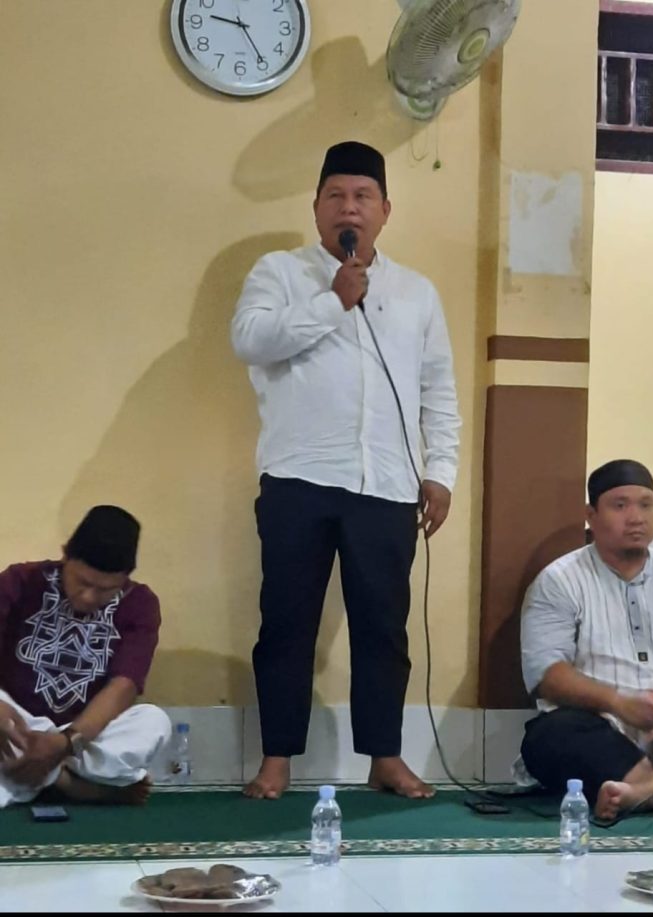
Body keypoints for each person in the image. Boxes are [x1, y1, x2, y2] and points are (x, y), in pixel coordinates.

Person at [232, 140, 460, 800]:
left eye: (362, 196)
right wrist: (332, 301)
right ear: (316, 208)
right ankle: (277, 759)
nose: (348, 207)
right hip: (298, 480)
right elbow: (249, 340)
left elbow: (438, 388)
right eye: (335, 196)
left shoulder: (416, 292)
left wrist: (440, 470)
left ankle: (385, 756)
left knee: (383, 628)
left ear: (385, 210)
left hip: (386, 486)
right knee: (286, 623)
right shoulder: (279, 273)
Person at [519, 459, 653, 822]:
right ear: (591, 515)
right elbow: (547, 675)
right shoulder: (559, 581)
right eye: (620, 505)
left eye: (646, 504)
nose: (636, 517)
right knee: (549, 736)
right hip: (602, 727)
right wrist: (619, 702)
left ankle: (639, 794)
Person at [0, 505, 171, 808]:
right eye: (82, 582)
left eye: (105, 589)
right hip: (17, 728)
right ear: (65, 556)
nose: (89, 597)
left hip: (78, 739)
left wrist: (65, 742)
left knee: (153, 722)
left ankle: (38, 776)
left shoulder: (140, 603)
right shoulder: (20, 581)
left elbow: (124, 686)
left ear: (126, 577)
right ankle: (70, 785)